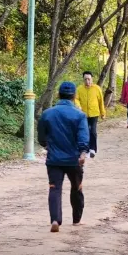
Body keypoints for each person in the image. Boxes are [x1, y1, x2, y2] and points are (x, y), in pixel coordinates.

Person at [37, 82, 89, 233]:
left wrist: (47, 146)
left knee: (54, 188)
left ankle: (55, 220)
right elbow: (83, 137)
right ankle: (77, 219)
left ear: (59, 95)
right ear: (74, 96)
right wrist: (82, 152)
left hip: (54, 159)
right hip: (74, 159)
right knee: (77, 187)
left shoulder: (47, 113)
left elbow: (41, 136)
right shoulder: (80, 115)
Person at [76, 71, 106, 157]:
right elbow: (76, 99)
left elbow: (101, 102)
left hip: (94, 113)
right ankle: (86, 149)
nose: (87, 81)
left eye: (89, 79)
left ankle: (93, 149)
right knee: (85, 131)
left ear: (92, 79)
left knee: (93, 131)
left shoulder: (97, 89)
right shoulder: (79, 89)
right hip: (83, 114)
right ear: (83, 79)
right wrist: (78, 105)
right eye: (85, 79)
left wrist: (103, 112)